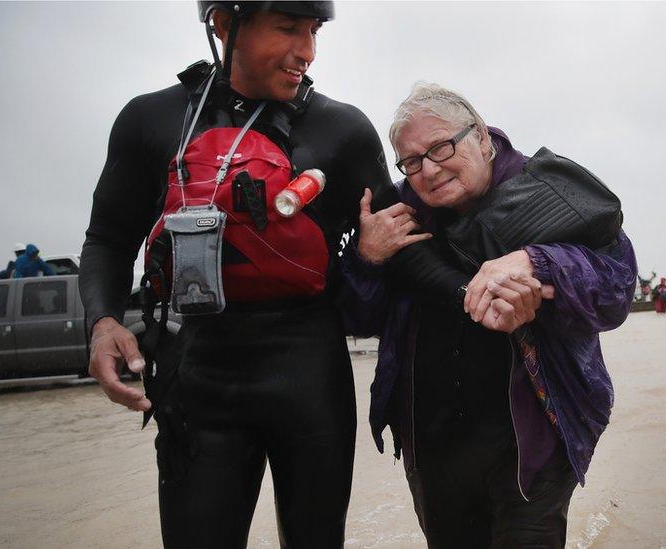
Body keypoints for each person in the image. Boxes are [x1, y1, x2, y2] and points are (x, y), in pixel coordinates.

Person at [78, 2, 424, 546]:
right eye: (289, 28)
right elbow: (109, 237)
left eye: (314, 31)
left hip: (308, 372)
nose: (307, 52)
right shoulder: (151, 120)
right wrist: (101, 320)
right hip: (196, 375)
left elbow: (410, 249)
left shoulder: (342, 129)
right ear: (223, 23)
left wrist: (505, 273)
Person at [343, 82, 637, 547]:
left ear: (480, 136)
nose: (430, 169)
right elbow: (357, 320)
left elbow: (617, 289)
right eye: (412, 161)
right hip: (432, 443)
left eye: (441, 147)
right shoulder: (395, 215)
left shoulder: (550, 192)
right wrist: (367, 258)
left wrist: (536, 262)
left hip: (532, 441)